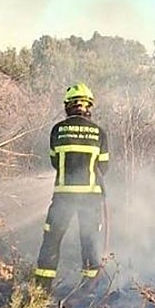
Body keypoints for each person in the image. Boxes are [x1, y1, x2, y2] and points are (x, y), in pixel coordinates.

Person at [33, 82, 109, 293]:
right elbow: (104, 167)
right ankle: (89, 292)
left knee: (51, 241)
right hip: (91, 198)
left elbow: (55, 162)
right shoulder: (99, 133)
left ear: (68, 106)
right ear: (89, 106)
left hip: (63, 198)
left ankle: (40, 292)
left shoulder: (57, 130)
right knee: (90, 242)